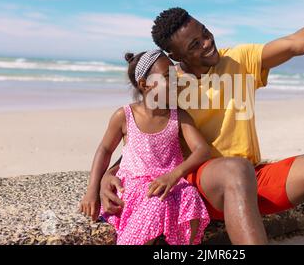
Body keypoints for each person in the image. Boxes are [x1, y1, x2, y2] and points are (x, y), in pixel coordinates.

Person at [99, 0, 304, 244]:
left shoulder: (239, 61)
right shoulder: (170, 85)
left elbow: (297, 43)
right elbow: (145, 136)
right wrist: (109, 174)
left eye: (204, 32)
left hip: (251, 178)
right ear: (175, 55)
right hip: (199, 187)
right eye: (194, 44)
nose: (206, 43)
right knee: (234, 168)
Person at [79, 49, 211, 245]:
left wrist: (174, 175)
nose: (176, 81)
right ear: (144, 84)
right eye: (168, 76)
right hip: (136, 184)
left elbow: (202, 149)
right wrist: (92, 189)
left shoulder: (178, 116)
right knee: (157, 201)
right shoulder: (125, 115)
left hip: (170, 183)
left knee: (190, 196)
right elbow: (105, 150)